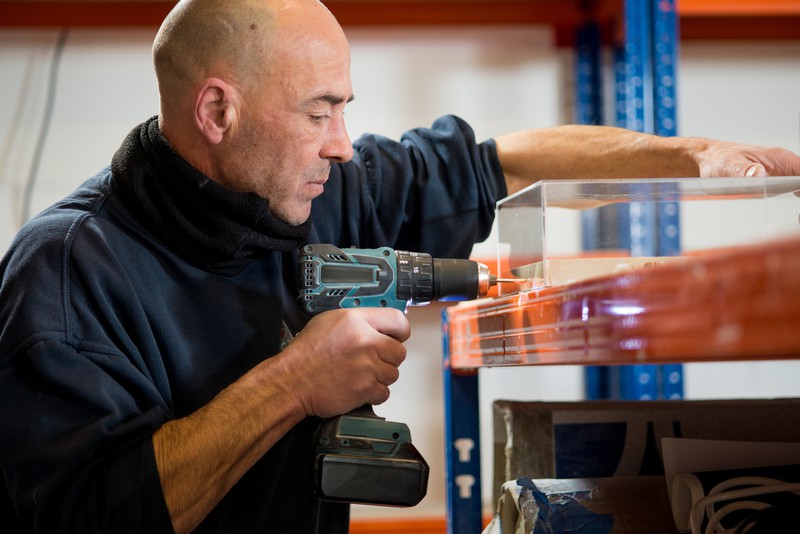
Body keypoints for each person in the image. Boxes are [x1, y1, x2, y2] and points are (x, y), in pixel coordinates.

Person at [1, 0, 798, 533]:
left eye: (344, 108)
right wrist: (293, 384)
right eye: (320, 112)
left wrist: (692, 154)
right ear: (217, 111)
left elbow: (502, 163)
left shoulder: (318, 190)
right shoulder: (66, 276)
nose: (343, 143)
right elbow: (88, 517)